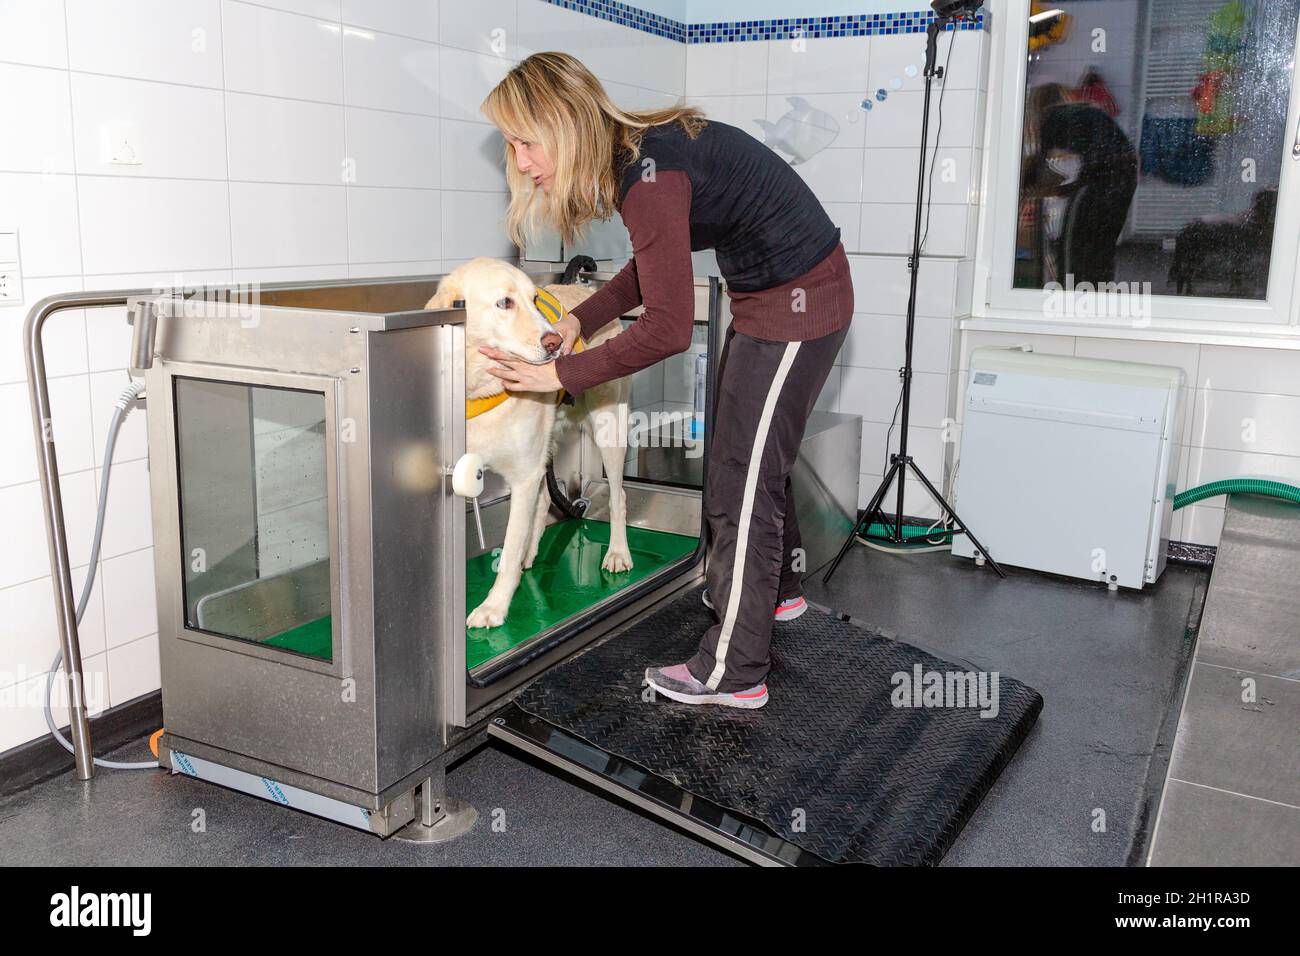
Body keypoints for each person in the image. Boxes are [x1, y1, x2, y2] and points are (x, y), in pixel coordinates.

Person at [478, 52, 853, 709]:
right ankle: (777, 592)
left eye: (524, 142)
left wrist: (558, 376)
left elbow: (668, 328)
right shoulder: (638, 158)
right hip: (769, 296)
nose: (523, 163)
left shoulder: (646, 176)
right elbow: (655, 263)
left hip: (802, 300)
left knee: (742, 474)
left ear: (564, 125)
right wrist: (580, 318)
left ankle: (733, 673)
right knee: (747, 453)